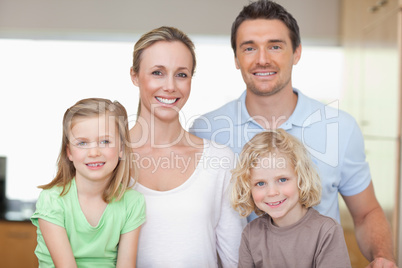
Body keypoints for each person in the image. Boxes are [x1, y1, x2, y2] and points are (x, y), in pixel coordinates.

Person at [190, 0, 397, 267]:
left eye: (275, 46)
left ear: (297, 52)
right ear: (236, 59)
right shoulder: (205, 132)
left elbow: (366, 212)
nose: (262, 58)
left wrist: (383, 257)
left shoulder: (339, 127)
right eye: (249, 48)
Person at [128, 26, 245, 268]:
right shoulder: (106, 158)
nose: (170, 86)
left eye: (181, 74)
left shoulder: (220, 159)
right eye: (157, 72)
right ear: (135, 76)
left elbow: (236, 260)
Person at [31, 98, 146, 268]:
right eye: (82, 143)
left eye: (105, 141)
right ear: (69, 152)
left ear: (121, 149)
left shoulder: (133, 202)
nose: (93, 152)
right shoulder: (52, 200)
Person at [231, 129, 351, 267]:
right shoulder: (251, 234)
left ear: (301, 178)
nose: (272, 192)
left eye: (282, 179)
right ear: (248, 188)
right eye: (260, 183)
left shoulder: (326, 231)